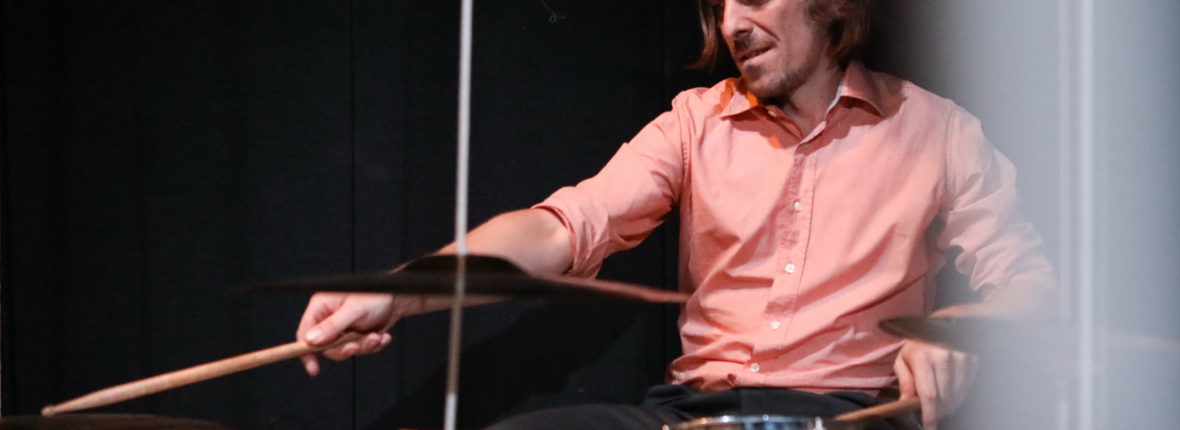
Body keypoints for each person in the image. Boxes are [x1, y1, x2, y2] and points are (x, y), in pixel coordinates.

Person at [294, 0, 1055, 429]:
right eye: (721, 4)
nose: (732, 23)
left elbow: (1029, 286)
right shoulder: (695, 121)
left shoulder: (939, 131)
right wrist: (396, 292)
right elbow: (561, 229)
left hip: (847, 415)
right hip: (694, 414)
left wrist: (960, 334)